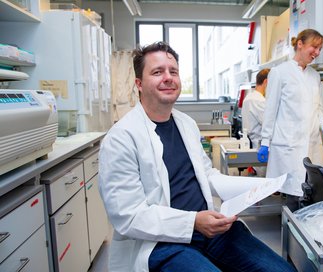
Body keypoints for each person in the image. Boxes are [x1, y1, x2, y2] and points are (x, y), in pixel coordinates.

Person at [98, 42, 295, 272]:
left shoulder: (186, 125)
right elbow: (128, 216)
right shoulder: (121, 138)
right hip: (161, 243)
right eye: (157, 72)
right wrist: (193, 222)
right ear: (139, 84)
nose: (168, 77)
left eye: (173, 71)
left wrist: (261, 186)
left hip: (211, 232)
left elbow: (208, 175)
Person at [257, 29, 323, 209]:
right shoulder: (279, 72)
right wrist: (265, 142)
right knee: (293, 196)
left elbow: (318, 108)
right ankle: (291, 233)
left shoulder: (315, 76)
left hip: (312, 145)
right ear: (300, 44)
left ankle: (306, 234)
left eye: (320, 49)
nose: (317, 52)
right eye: (314, 47)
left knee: (312, 195)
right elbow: (271, 110)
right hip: (289, 147)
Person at [242, 68, 270, 176]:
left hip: (253, 144)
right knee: (263, 185)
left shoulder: (249, 97)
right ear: (266, 82)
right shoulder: (259, 100)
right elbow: (269, 123)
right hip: (260, 146)